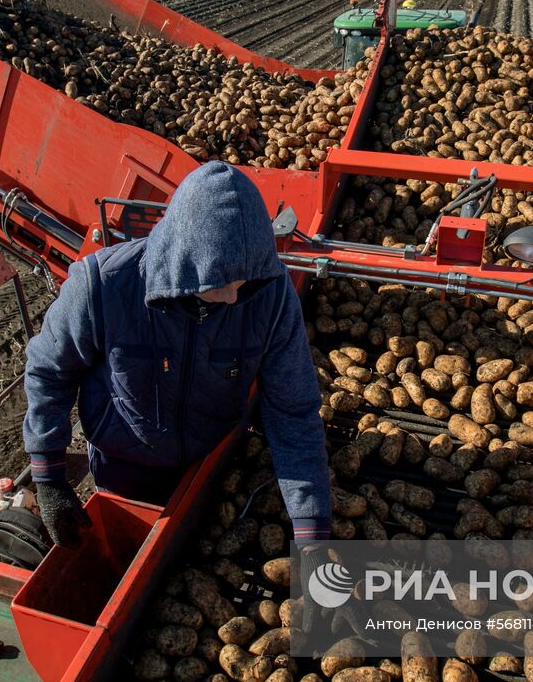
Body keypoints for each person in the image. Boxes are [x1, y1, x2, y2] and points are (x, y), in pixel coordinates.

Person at [22, 161, 331, 549]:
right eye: (223, 285)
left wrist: (311, 527)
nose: (236, 297)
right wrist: (49, 476)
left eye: (244, 283)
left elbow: (293, 408)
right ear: (188, 265)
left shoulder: (269, 294)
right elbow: (49, 371)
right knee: (126, 551)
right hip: (123, 466)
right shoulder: (102, 286)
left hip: (208, 460)